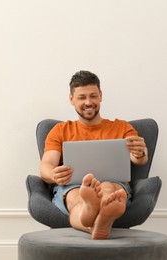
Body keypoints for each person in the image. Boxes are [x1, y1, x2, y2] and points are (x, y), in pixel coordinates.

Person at [39, 70, 148, 239]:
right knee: (77, 198)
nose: (88, 102)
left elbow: (138, 158)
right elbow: (46, 166)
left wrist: (140, 153)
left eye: (93, 96)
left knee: (108, 189)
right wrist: (54, 175)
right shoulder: (60, 130)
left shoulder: (122, 127)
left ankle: (93, 218)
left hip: (114, 182)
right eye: (82, 97)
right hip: (72, 185)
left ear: (101, 96)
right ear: (71, 99)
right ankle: (96, 218)